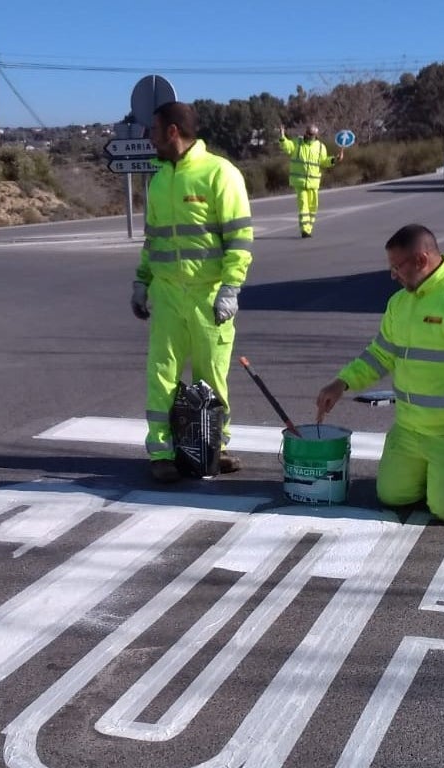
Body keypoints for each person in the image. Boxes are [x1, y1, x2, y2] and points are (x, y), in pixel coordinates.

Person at [315, 224, 444, 523]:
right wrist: (342, 383)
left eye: (397, 267)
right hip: (408, 429)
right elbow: (380, 354)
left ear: (421, 259)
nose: (393, 275)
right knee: (392, 496)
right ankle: (434, 476)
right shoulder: (400, 302)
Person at [131, 101, 254, 484]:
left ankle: (212, 448)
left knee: (212, 375)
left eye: (153, 130)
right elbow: (153, 240)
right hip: (168, 294)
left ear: (172, 131)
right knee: (161, 374)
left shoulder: (220, 173)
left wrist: (230, 288)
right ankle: (163, 453)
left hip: (209, 294)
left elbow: (240, 238)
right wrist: (142, 281)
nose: (148, 137)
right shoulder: (160, 180)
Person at [278, 124, 343, 238]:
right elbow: (287, 147)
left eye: (312, 134)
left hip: (313, 183)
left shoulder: (320, 147)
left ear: (316, 135)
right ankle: (305, 230)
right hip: (300, 181)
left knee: (313, 207)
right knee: (303, 205)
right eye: (308, 133)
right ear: (305, 133)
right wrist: (282, 136)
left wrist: (334, 159)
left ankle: (309, 227)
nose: (309, 136)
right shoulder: (297, 143)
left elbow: (324, 161)